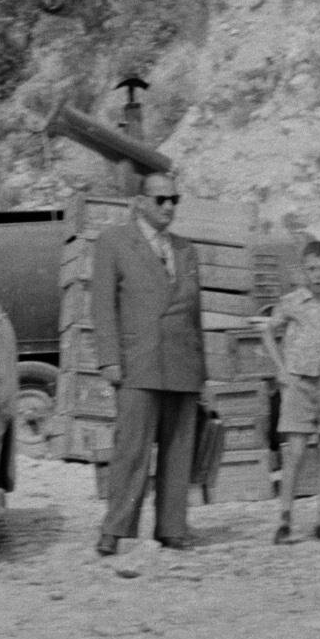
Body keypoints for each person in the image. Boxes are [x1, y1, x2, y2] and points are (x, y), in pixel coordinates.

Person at [92, 169, 208, 557]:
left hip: (182, 364)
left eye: (174, 199)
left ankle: (172, 527)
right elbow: (103, 306)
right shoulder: (113, 242)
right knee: (131, 451)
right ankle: (115, 529)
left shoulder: (186, 250)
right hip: (137, 363)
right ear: (140, 203)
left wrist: (201, 372)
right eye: (161, 199)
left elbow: (195, 314)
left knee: (179, 450)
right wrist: (109, 359)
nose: (169, 206)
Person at [266, 239, 320, 546]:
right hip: (299, 385)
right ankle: (284, 521)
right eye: (312, 269)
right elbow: (267, 332)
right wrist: (281, 370)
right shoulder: (291, 302)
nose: (318, 275)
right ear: (304, 271)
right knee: (296, 453)